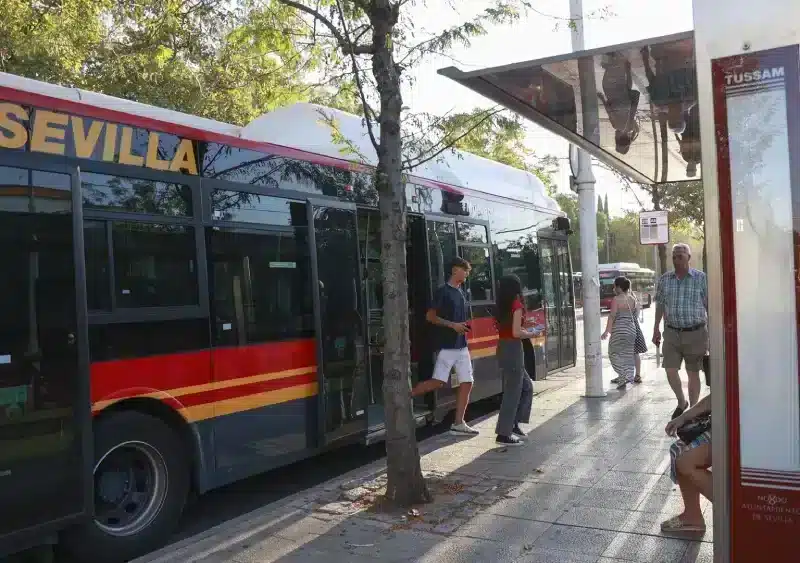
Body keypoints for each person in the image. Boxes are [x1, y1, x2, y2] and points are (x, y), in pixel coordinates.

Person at [411, 257, 478, 435]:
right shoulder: (443, 292)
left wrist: (462, 326)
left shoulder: (460, 292)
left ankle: (459, 423)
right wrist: (452, 325)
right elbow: (430, 317)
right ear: (455, 270)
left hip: (461, 346)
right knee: (438, 382)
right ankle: (404, 397)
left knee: (467, 382)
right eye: (465, 270)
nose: (467, 274)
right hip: (447, 346)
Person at [653, 243, 708, 419]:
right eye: (674, 256)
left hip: (696, 333)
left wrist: (713, 332)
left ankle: (693, 410)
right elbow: (660, 305)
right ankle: (681, 401)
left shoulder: (701, 278)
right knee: (670, 369)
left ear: (688, 258)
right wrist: (656, 328)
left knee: (693, 373)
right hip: (671, 333)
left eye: (681, 256)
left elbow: (709, 305)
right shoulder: (665, 280)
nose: (677, 259)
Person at [493, 275, 542, 446]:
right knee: (513, 392)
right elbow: (516, 332)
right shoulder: (516, 305)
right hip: (513, 348)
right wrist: (532, 333)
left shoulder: (502, 305)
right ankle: (503, 434)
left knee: (526, 387)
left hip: (503, 347)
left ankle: (513, 425)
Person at [662, 394, 712, 534]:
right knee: (677, 450)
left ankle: (735, 509)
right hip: (724, 422)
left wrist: (684, 417)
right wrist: (683, 417)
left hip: (740, 427)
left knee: (685, 461)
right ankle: (692, 515)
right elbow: (718, 396)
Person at [602, 276, 643, 389]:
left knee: (613, 353)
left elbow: (612, 316)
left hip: (619, 329)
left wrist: (607, 331)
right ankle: (623, 379)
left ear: (619, 287)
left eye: (614, 286)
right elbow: (636, 315)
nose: (613, 288)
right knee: (627, 355)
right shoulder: (633, 299)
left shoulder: (616, 299)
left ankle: (623, 375)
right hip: (632, 330)